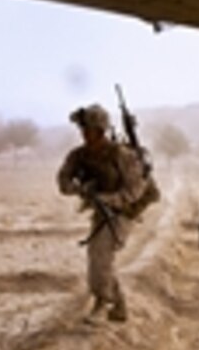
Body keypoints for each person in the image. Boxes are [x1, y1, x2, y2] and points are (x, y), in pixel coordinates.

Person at [56, 104, 152, 325]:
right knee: (100, 257)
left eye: (88, 129)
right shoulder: (78, 155)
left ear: (100, 130)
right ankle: (119, 307)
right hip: (101, 212)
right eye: (83, 130)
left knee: (100, 256)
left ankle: (102, 304)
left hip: (124, 211)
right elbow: (63, 181)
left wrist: (109, 199)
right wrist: (79, 189)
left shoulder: (121, 155)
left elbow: (135, 190)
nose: (84, 134)